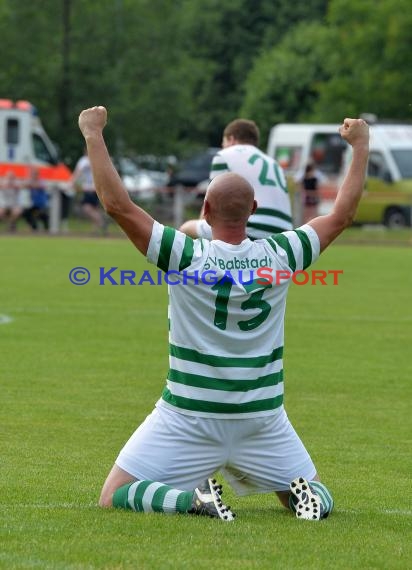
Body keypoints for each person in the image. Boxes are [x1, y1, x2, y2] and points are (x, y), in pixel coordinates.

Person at [78, 106, 369, 522]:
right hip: (261, 418)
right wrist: (360, 147)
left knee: (115, 495)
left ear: (206, 213)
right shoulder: (281, 254)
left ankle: (192, 501)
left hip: (190, 415)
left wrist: (93, 135)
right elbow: (342, 215)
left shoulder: (186, 255)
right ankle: (310, 498)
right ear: (252, 211)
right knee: (305, 494)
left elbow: (118, 206)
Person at [179, 119, 293, 240]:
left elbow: (211, 204)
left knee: (185, 228)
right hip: (283, 232)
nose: (223, 146)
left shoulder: (224, 155)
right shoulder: (274, 163)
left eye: (223, 142)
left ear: (231, 139)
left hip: (251, 226)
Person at [71, 149, 106, 234]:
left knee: (87, 208)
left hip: (90, 189)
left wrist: (72, 182)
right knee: (94, 209)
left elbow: (78, 172)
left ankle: (101, 222)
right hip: (96, 188)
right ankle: (95, 231)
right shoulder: (97, 159)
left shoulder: (84, 160)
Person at [22, 167, 50, 231]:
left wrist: (31, 184)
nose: (34, 175)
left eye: (35, 174)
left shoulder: (41, 180)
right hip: (34, 204)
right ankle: (34, 227)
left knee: (42, 215)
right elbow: (23, 185)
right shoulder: (31, 181)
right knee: (26, 213)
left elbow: (42, 186)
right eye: (33, 174)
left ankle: (45, 228)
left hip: (41, 204)